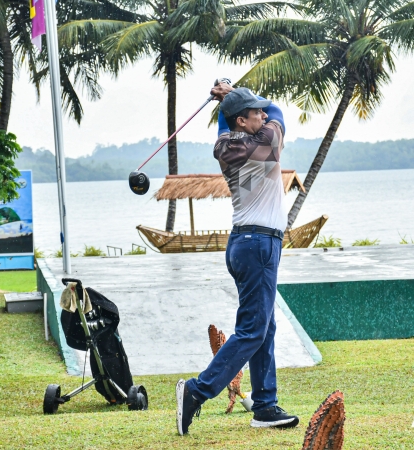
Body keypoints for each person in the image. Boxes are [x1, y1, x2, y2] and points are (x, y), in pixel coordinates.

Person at [175, 82, 299, 435]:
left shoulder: (225, 145)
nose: (262, 113)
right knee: (253, 329)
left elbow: (227, 121)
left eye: (260, 109)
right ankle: (197, 391)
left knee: (263, 327)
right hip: (259, 244)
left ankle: (265, 406)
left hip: (245, 242)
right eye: (254, 111)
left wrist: (230, 100)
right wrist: (234, 91)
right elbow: (277, 114)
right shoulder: (265, 142)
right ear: (242, 121)